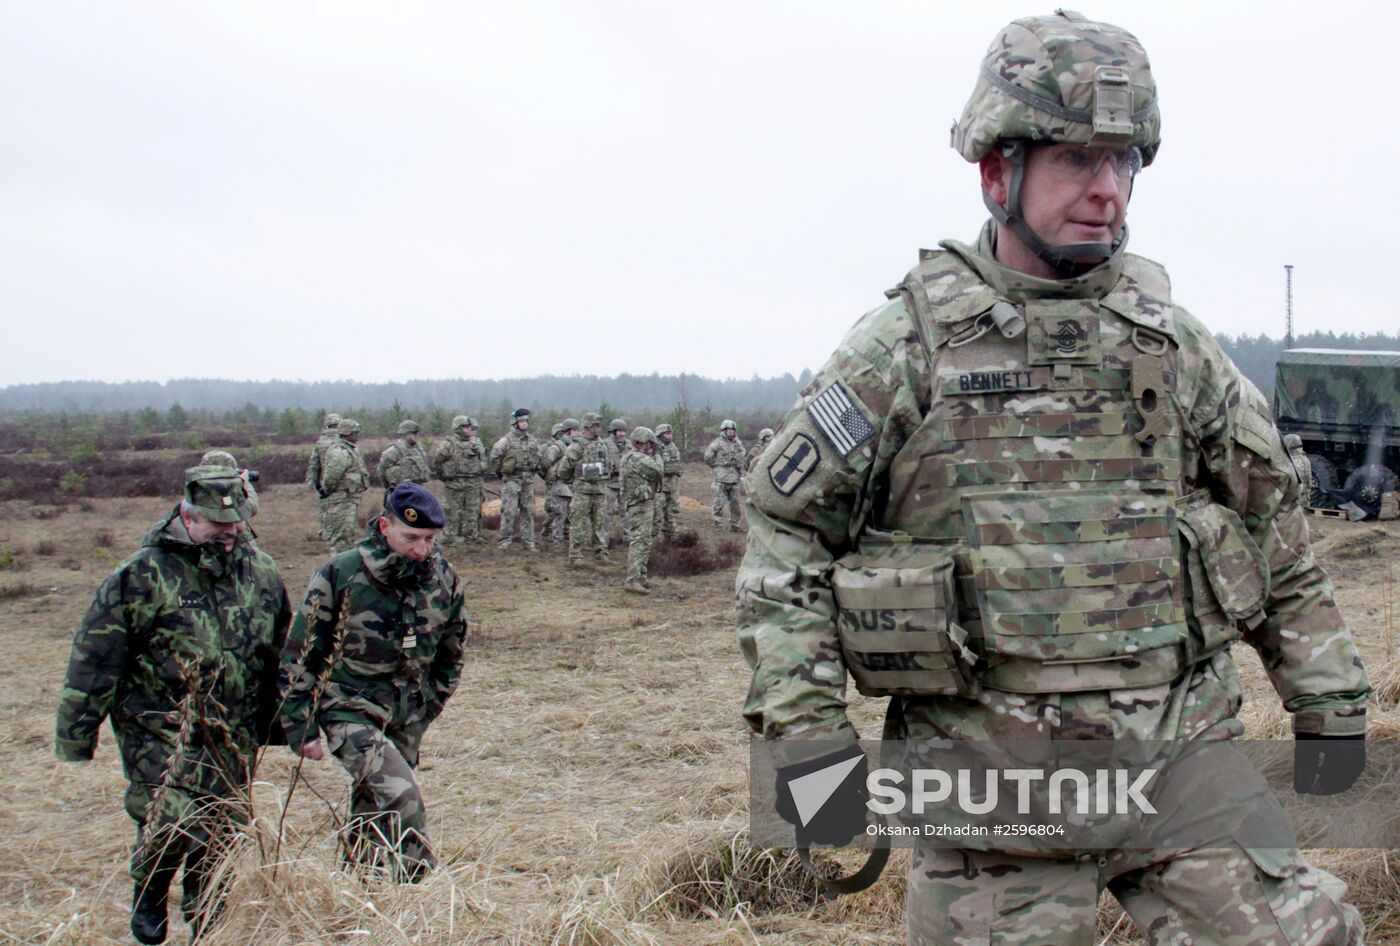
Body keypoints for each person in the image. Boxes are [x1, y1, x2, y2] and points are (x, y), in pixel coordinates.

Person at [736, 12, 1370, 945]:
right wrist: (815, 755)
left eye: (1124, 163)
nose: (1108, 191)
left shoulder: (1173, 344)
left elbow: (1273, 526)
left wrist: (1330, 703)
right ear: (998, 171)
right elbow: (785, 538)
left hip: (1180, 768)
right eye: (1078, 160)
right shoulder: (906, 351)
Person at [55, 466, 290, 944]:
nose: (229, 532)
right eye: (217, 524)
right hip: (158, 721)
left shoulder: (261, 570)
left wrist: (283, 720)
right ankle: (152, 890)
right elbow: (96, 658)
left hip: (233, 725)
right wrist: (76, 734)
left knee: (224, 821)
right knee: (169, 816)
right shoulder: (142, 573)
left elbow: (279, 651)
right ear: (187, 514)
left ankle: (208, 908)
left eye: (237, 522)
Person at [278, 484, 467, 882]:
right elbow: (301, 651)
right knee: (401, 794)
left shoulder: (443, 578)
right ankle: (420, 890)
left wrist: (428, 707)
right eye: (410, 537)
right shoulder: (342, 572)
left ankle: (357, 885)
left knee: (372, 804)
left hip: (406, 713)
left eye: (430, 539)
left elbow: (452, 652)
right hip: (348, 707)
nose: (421, 549)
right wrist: (301, 725)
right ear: (384, 526)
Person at [488, 408, 542, 550]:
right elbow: (494, 456)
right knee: (509, 511)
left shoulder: (532, 440)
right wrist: (501, 472)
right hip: (512, 479)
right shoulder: (506, 440)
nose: (524, 424)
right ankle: (504, 541)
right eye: (521, 421)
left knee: (528, 511)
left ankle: (528, 542)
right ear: (515, 423)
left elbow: (539, 456)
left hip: (528, 481)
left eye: (526, 421)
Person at [562, 412, 612, 565]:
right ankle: (576, 555)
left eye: (598, 425)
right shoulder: (577, 446)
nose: (598, 428)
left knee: (600, 524)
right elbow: (564, 469)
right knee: (578, 524)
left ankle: (601, 553)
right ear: (587, 427)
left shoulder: (602, 444)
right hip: (582, 491)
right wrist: (575, 482)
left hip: (599, 490)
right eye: (595, 425)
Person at [431, 415, 487, 546]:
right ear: (458, 428)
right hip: (455, 485)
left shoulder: (476, 443)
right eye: (466, 427)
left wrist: (481, 468)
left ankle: (471, 536)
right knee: (452, 512)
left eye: (469, 427)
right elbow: (437, 463)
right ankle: (450, 538)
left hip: (473, 483)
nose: (469, 429)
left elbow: (483, 459)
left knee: (472, 512)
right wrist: (446, 477)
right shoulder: (448, 445)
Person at [621, 426, 663, 594]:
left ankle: (641, 576)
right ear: (642, 443)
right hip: (639, 504)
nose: (651, 447)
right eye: (650, 444)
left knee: (645, 540)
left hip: (641, 502)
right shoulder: (637, 458)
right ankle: (632, 579)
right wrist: (658, 456)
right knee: (639, 541)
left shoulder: (631, 457)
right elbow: (658, 472)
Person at [320, 418, 369, 553]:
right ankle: (338, 568)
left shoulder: (350, 450)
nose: (357, 435)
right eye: (355, 432)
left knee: (348, 536)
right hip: (341, 501)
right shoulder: (339, 453)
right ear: (347, 433)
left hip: (348, 500)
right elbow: (331, 479)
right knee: (342, 539)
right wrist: (328, 491)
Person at [541, 418, 580, 552]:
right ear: (567, 432)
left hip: (570, 484)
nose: (577, 433)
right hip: (558, 484)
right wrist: (551, 477)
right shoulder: (557, 447)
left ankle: (564, 537)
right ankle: (556, 541)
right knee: (559, 513)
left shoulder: (574, 446)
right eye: (574, 430)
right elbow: (545, 464)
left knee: (569, 514)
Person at [306, 412, 342, 540]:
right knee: (342, 508)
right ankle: (339, 531)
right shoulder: (343, 441)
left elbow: (314, 464)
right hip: (342, 481)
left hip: (324, 480)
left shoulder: (320, 443)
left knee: (325, 506)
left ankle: (324, 532)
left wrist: (313, 482)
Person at [704, 419, 745, 531]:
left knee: (735, 503)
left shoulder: (738, 443)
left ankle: (735, 525)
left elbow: (742, 455)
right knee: (719, 503)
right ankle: (718, 524)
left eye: (732, 430)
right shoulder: (717, 443)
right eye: (729, 430)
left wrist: (740, 465)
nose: (731, 432)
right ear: (724, 431)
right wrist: (716, 466)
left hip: (734, 478)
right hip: (721, 478)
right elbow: (708, 456)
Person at [377, 419, 431, 503]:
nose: (417, 435)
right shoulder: (394, 451)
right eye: (414, 433)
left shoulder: (419, 451)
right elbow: (381, 471)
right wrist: (390, 488)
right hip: (400, 494)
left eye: (417, 433)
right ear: (406, 434)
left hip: (418, 493)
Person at [653, 423, 683, 538]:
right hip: (660, 486)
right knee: (657, 511)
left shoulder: (673, 447)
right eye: (666, 433)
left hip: (673, 485)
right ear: (660, 435)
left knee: (672, 510)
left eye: (670, 433)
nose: (669, 436)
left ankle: (670, 535)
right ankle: (655, 537)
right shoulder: (655, 448)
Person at [605, 418, 631, 541]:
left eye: (623, 431)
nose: (622, 434)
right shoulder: (605, 444)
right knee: (606, 511)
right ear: (613, 431)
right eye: (619, 431)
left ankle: (628, 536)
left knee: (626, 512)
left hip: (624, 484)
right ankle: (603, 537)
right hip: (609, 483)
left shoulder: (629, 445)